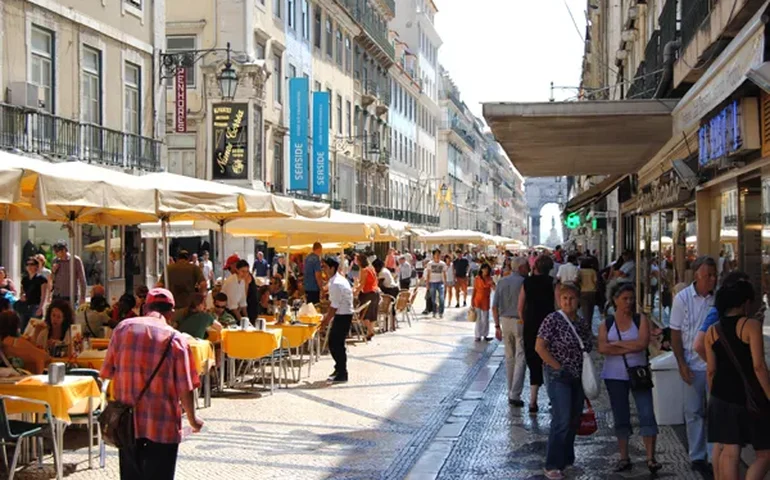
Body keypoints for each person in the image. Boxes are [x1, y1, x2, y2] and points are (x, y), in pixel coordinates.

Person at [100, 288, 203, 478]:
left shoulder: (122, 329)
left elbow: (107, 372)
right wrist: (192, 419)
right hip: (163, 425)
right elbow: (185, 387)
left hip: (127, 423)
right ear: (171, 313)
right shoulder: (177, 339)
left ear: (145, 307)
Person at [705, 276, 770, 480]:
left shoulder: (711, 331)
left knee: (729, 450)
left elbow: (711, 370)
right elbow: (759, 366)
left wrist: (714, 395)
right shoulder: (750, 325)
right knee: (765, 454)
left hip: (719, 396)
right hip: (746, 397)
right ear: (746, 303)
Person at [598, 283, 661, 474]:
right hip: (614, 376)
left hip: (638, 373)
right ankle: (624, 457)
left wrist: (616, 344)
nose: (629, 302)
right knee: (621, 415)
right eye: (625, 299)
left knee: (647, 413)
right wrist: (628, 345)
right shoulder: (607, 323)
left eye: (631, 299)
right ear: (615, 300)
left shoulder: (640, 319)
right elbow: (602, 348)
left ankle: (650, 457)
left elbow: (642, 344)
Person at [535, 282, 592, 480]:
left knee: (573, 418)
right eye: (564, 298)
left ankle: (566, 459)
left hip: (577, 375)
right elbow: (540, 347)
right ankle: (552, 464)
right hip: (558, 376)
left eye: (571, 298)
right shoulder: (552, 320)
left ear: (578, 300)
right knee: (562, 418)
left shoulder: (581, 323)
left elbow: (588, 346)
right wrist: (558, 367)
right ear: (559, 300)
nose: (568, 302)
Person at [670, 255, 717, 474]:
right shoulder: (682, 299)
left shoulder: (718, 299)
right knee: (694, 412)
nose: (712, 279)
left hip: (714, 365)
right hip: (692, 362)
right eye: (708, 275)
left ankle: (714, 455)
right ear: (697, 275)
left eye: (714, 275)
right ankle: (697, 456)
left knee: (714, 412)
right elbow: (675, 333)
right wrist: (681, 363)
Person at [519, 255, 556, 413]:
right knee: (550, 360)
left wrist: (524, 320)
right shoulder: (553, 283)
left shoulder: (527, 282)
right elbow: (557, 305)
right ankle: (553, 398)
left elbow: (520, 306)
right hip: (549, 324)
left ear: (535, 267)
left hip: (531, 324)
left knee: (533, 361)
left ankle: (533, 400)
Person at [493, 256, 529, 407]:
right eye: (526, 266)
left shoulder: (502, 281)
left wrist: (497, 326)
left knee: (509, 357)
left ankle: (510, 390)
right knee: (521, 357)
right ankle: (515, 394)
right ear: (520, 268)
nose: (528, 268)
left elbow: (494, 306)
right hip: (519, 321)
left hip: (504, 321)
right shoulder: (524, 282)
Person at [322, 257, 354, 383]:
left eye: (325, 267)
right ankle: (339, 368)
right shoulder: (337, 281)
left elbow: (334, 306)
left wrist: (325, 321)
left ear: (332, 268)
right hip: (343, 314)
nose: (323, 270)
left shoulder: (336, 283)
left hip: (343, 315)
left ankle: (342, 372)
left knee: (335, 344)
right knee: (336, 343)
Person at [166, 250, 206, 325]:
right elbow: (203, 284)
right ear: (189, 258)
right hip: (190, 307)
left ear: (177, 258)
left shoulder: (169, 268)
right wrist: (200, 298)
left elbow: (159, 285)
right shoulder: (194, 268)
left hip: (173, 306)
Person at [15, 257, 48, 331]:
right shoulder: (24, 279)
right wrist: (22, 295)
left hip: (36, 306)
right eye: (27, 264)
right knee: (23, 329)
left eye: (32, 264)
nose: (29, 266)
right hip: (25, 306)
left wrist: (40, 308)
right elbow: (22, 292)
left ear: (36, 266)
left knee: (34, 329)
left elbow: (44, 295)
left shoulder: (42, 279)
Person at [51, 241, 87, 305]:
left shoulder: (75, 260)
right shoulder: (55, 261)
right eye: (54, 251)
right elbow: (52, 279)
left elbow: (82, 279)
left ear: (64, 250)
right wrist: (53, 271)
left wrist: (82, 297)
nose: (55, 253)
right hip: (57, 294)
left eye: (57, 251)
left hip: (70, 295)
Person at [355, 254, 379, 340]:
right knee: (372, 315)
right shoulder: (371, 268)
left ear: (360, 261)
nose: (356, 262)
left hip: (368, 293)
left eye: (357, 260)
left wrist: (355, 292)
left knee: (364, 314)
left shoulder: (364, 270)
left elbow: (362, 284)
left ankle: (370, 331)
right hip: (375, 292)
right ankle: (369, 333)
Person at [472, 263, 495, 342]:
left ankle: (485, 334)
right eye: (484, 269)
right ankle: (477, 335)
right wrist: (472, 300)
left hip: (486, 300)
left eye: (487, 269)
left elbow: (494, 288)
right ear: (481, 269)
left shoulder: (490, 279)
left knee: (485, 318)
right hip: (478, 299)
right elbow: (474, 290)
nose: (485, 270)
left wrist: (492, 284)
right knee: (478, 319)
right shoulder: (477, 278)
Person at [221, 256, 248, 321]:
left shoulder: (242, 281)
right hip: (226, 313)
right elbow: (233, 307)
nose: (245, 274)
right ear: (237, 270)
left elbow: (243, 302)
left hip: (235, 312)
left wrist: (247, 320)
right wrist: (242, 321)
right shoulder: (231, 281)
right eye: (242, 271)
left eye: (247, 271)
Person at [425, 250, 447, 319]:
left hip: (440, 282)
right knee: (433, 299)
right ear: (433, 255)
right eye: (436, 254)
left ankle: (441, 312)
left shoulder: (443, 264)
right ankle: (434, 312)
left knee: (441, 298)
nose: (437, 256)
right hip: (432, 282)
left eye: (439, 254)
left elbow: (444, 274)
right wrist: (427, 284)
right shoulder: (430, 264)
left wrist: (445, 283)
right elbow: (428, 274)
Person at [577, 257, 598, 323]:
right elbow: (596, 281)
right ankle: (589, 323)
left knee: (584, 309)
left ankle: (586, 323)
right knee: (591, 309)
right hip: (592, 292)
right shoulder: (592, 271)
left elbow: (577, 280)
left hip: (583, 291)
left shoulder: (579, 271)